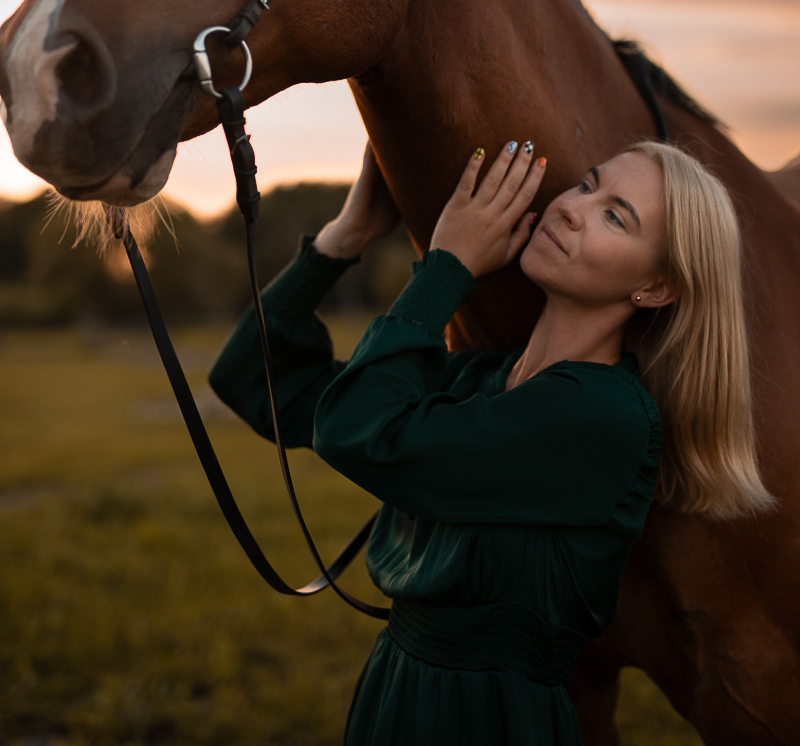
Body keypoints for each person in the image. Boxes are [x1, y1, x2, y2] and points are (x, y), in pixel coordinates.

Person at [209, 138, 773, 745]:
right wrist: (345, 237)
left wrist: (447, 267)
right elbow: (253, 377)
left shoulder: (602, 416)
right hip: (391, 699)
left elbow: (356, 430)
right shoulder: (477, 380)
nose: (571, 208)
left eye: (615, 216)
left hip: (489, 721)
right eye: (587, 185)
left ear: (656, 288)